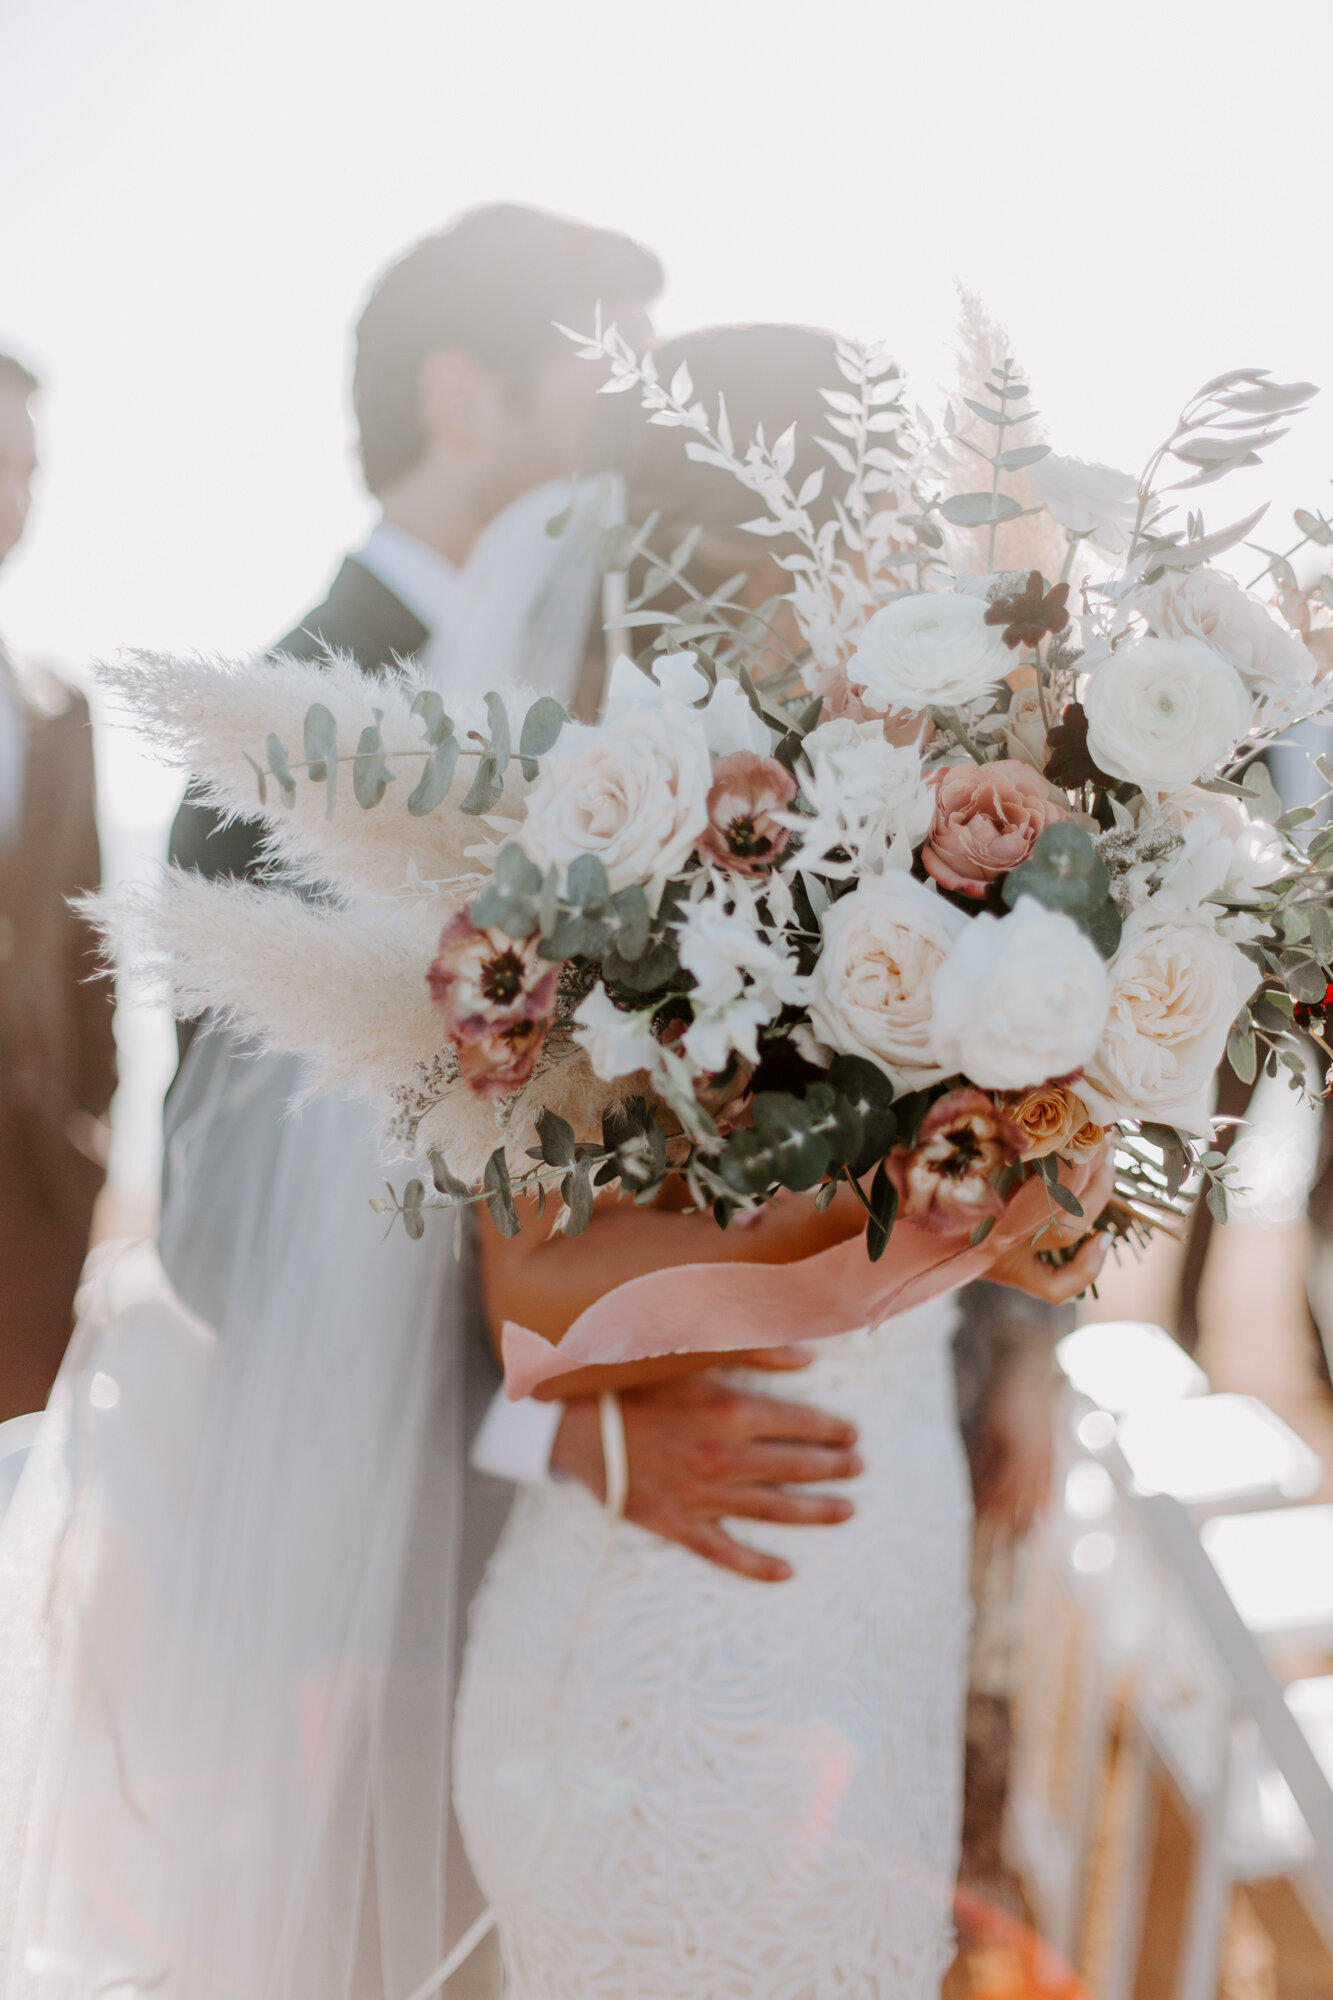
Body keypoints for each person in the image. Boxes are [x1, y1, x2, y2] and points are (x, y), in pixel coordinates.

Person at [0, 231, 860, 2000]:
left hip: (671, 1596)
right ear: (466, 400)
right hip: (404, 1579)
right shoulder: (295, 716)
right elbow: (247, 1232)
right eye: (605, 379)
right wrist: (563, 1438)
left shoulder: (650, 707)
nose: (645, 435)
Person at [451, 324, 1112, 1999]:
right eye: (865, 528)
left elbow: (1051, 1246)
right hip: (671, 1644)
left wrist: (1046, 1186)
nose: (897, 571)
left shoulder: (967, 827)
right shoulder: (600, 847)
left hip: (869, 1607)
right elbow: (531, 1299)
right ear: (750, 545)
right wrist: (899, 1233)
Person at [0, 350, 115, 1421]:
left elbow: (92, 948)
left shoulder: (56, 707)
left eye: (26, 469)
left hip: (31, 1211)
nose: (13, 497)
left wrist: (92, 1135)